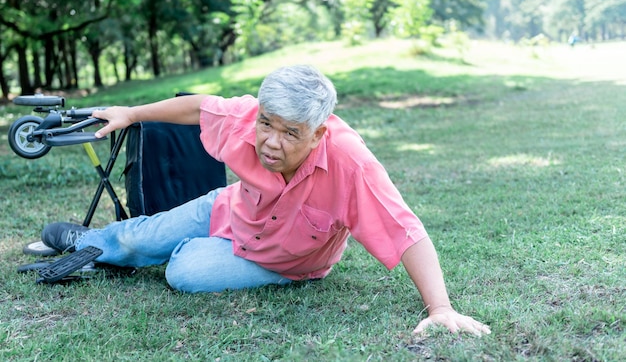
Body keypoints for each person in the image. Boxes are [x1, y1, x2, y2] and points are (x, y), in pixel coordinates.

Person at [41, 65, 490, 336]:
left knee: (184, 271)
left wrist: (441, 308)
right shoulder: (249, 119)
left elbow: (404, 230)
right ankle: (93, 243)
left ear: (318, 133)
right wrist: (133, 114)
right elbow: (200, 107)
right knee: (140, 240)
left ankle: (162, 248)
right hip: (231, 207)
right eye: (267, 124)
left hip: (282, 260)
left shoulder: (352, 164)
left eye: (290, 133)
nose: (271, 143)